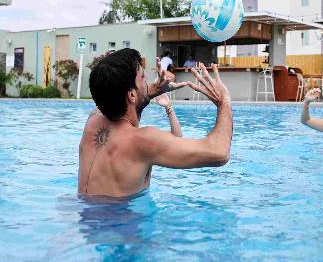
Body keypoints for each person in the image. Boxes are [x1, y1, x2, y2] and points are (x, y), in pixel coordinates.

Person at [78, 48, 233, 198]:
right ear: (131, 95)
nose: (147, 80)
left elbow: (119, 101)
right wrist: (224, 100)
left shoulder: (93, 120)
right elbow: (219, 152)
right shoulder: (143, 141)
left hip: (84, 211)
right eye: (143, 78)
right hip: (121, 215)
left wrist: (150, 91)